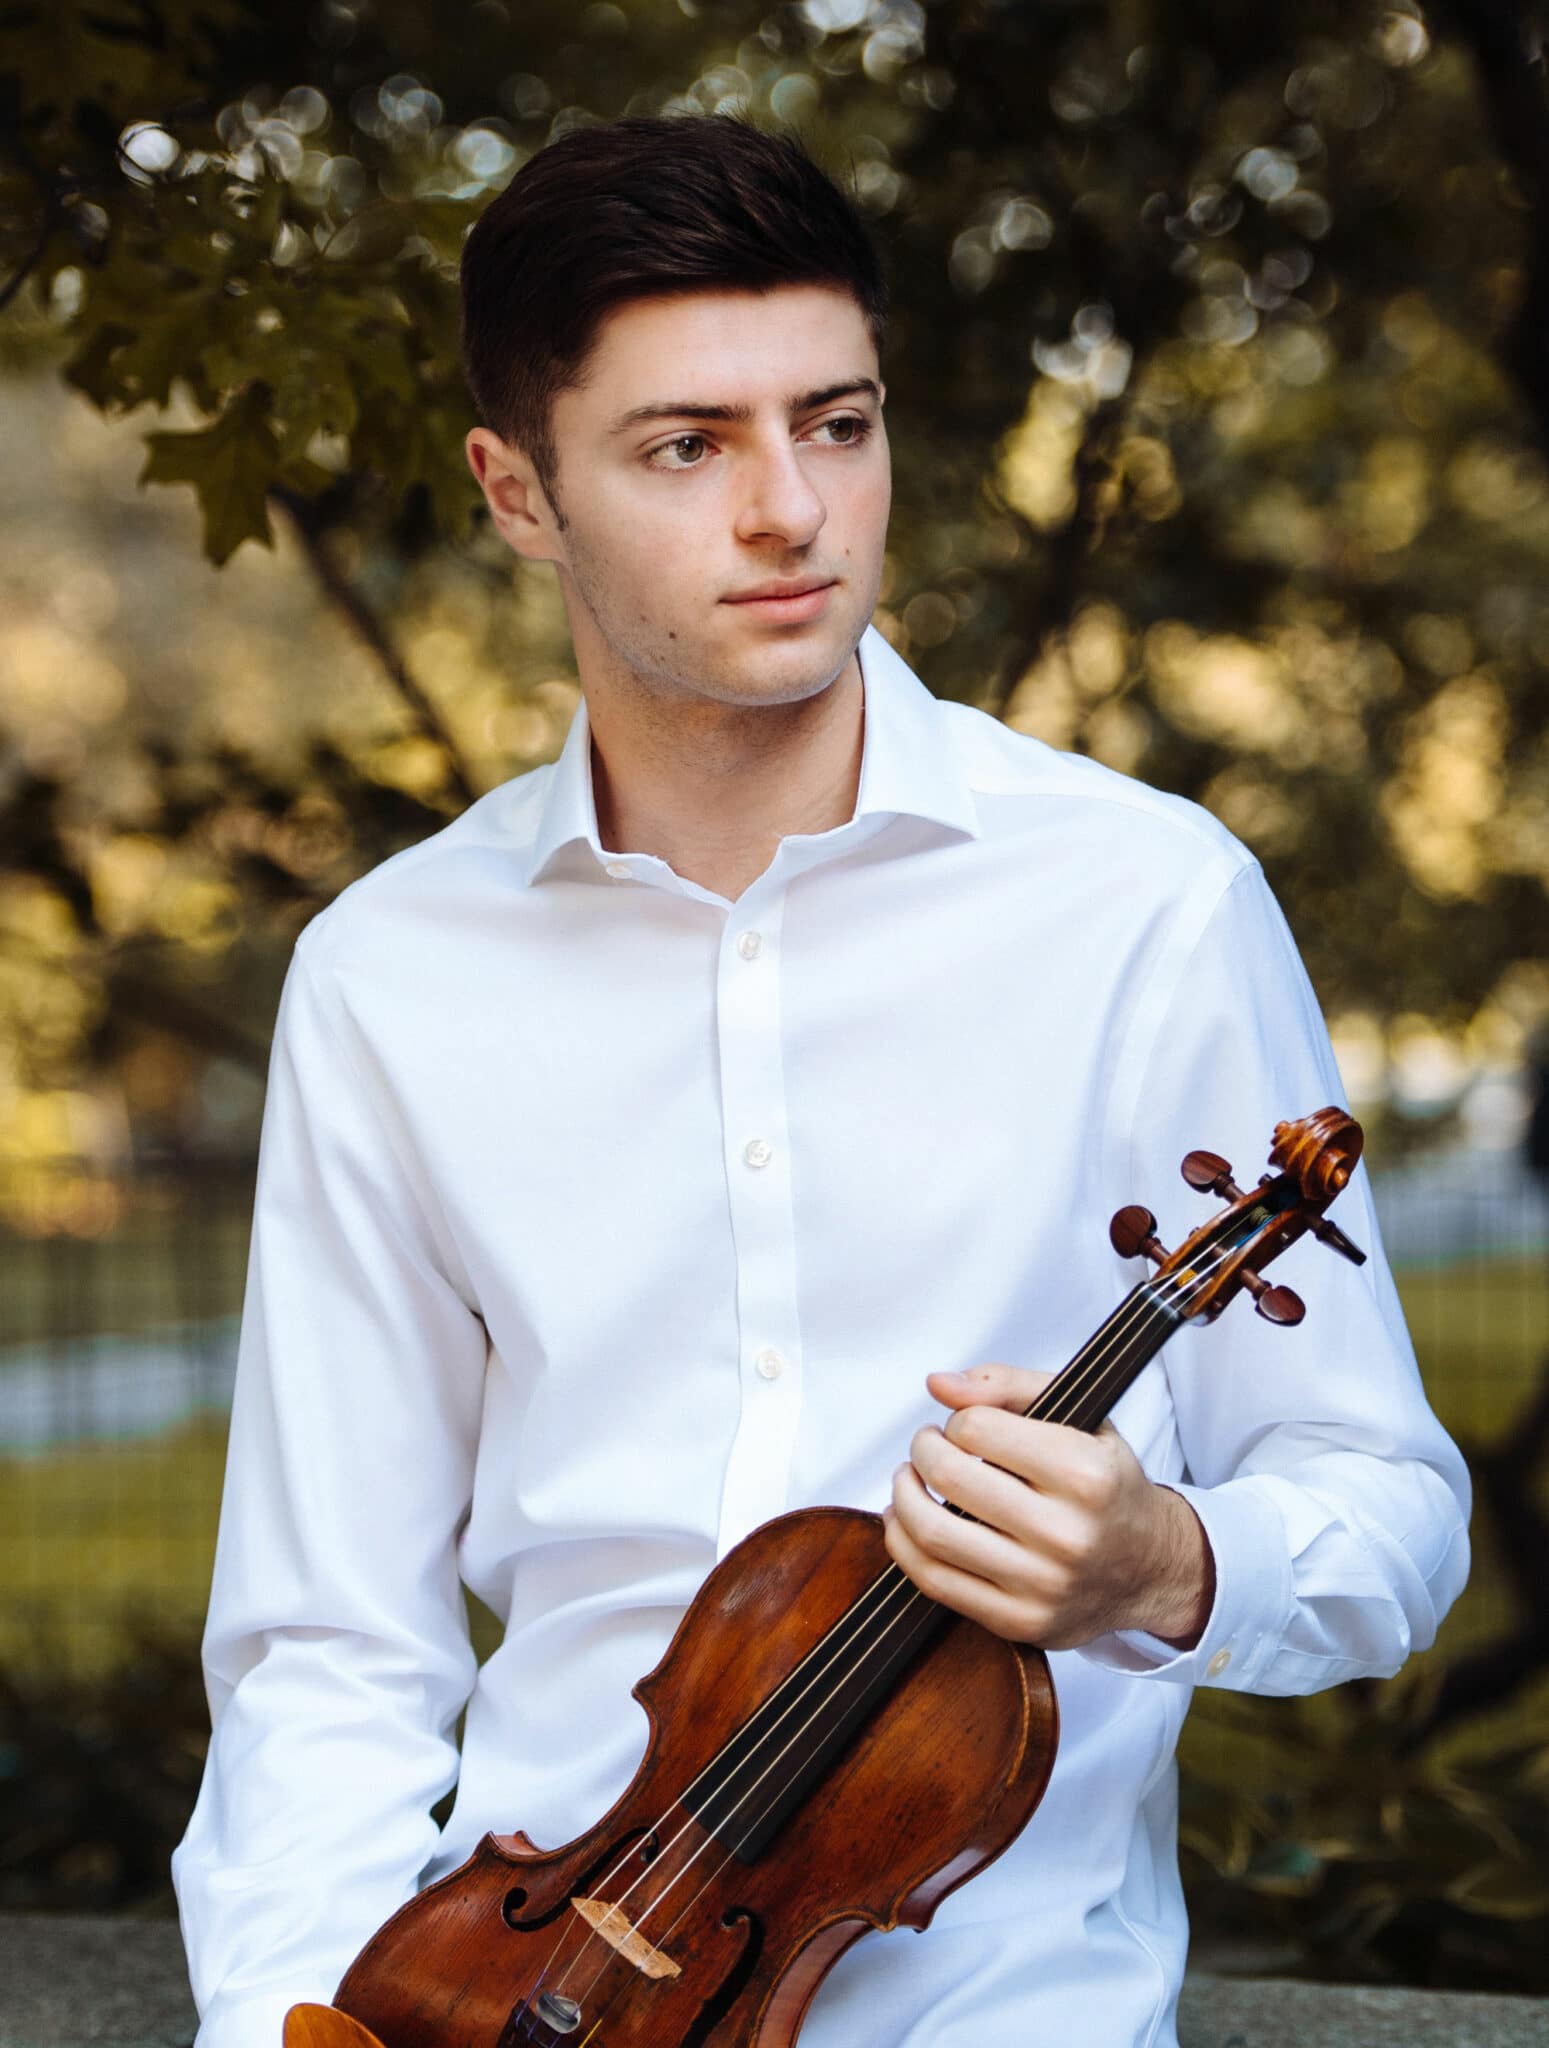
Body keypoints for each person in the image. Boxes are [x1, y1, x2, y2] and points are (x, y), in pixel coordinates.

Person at [171, 112, 1472, 2048]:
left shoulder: (1146, 901)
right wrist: (297, 2022)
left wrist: (1165, 1555)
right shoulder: (389, 974)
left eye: (836, 423)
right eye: (685, 445)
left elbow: (1383, 1506)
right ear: (517, 491)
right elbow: (323, 1646)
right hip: (522, 1983)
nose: (790, 509)